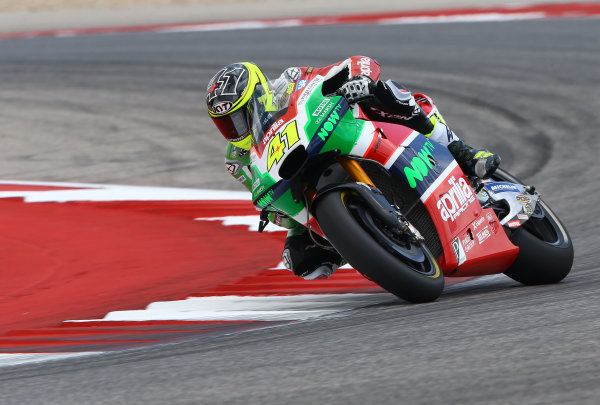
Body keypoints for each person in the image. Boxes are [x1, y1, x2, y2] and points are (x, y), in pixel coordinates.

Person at [206, 56, 500, 280]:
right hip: (301, 185)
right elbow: (272, 206)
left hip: (343, 130)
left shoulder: (290, 82)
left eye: (239, 117)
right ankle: (353, 241)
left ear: (259, 93)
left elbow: (353, 64)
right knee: (300, 262)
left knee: (388, 94)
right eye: (226, 124)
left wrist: (358, 79)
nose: (235, 129)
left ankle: (461, 151)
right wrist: (277, 216)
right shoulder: (237, 160)